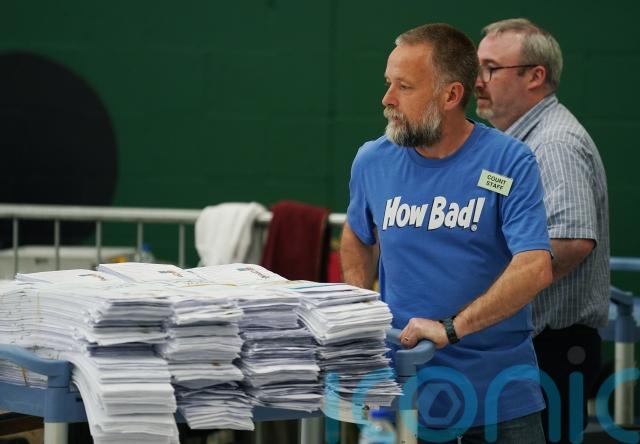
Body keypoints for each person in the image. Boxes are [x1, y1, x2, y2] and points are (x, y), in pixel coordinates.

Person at [340, 23, 553, 443]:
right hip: (401, 392)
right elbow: (356, 235)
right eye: (388, 83)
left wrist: (451, 328)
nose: (387, 99)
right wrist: (362, 314)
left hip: (497, 399)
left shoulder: (509, 161)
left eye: (404, 87)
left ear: (451, 95)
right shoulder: (372, 160)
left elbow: (535, 266)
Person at [475, 18, 609, 443]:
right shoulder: (514, 145)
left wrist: (492, 288)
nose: (477, 81)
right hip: (531, 348)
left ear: (535, 76)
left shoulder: (553, 145)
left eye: (491, 69)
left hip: (551, 350)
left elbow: (571, 241)